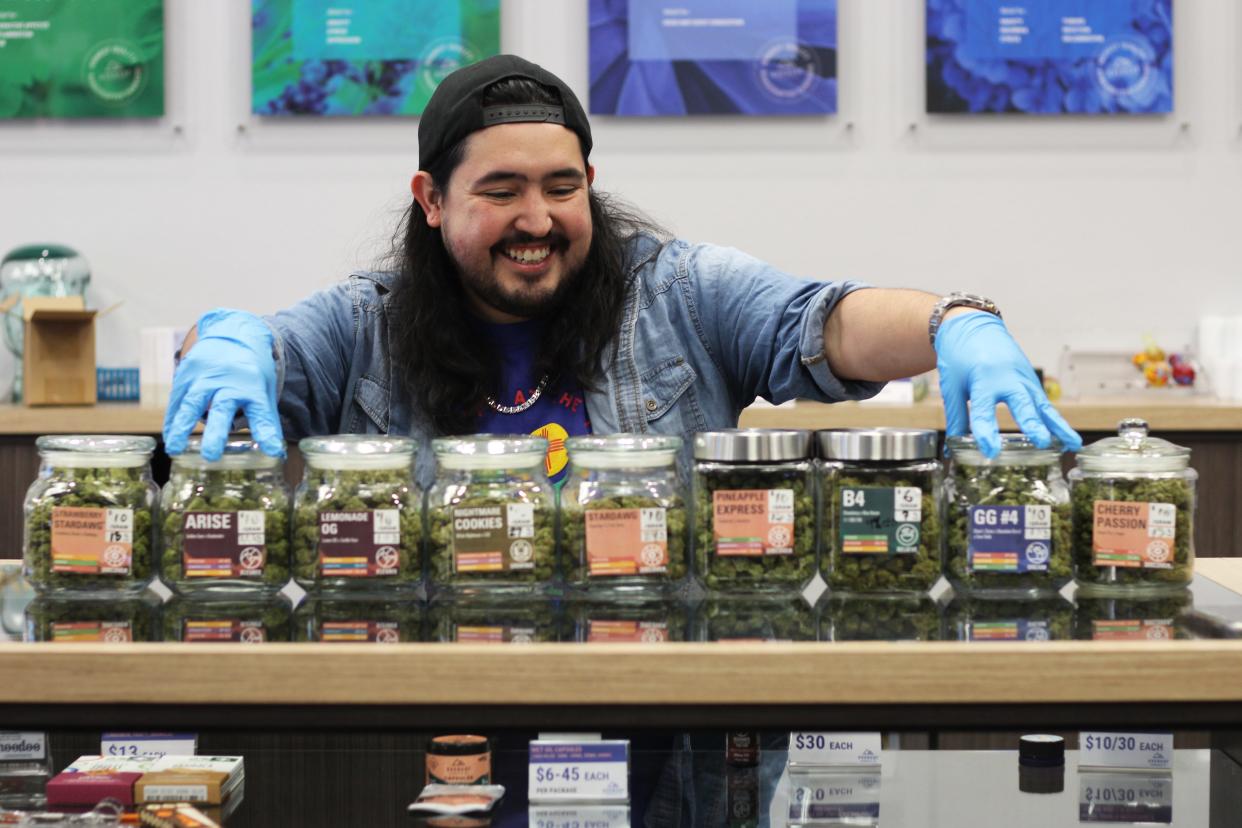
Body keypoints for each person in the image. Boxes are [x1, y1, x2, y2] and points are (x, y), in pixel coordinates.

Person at [163, 55, 1080, 484]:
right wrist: (226, 339)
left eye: (563, 187)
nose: (538, 220)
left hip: (672, 752)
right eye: (502, 191)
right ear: (432, 200)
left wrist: (955, 320)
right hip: (445, 739)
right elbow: (265, 350)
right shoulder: (367, 323)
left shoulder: (675, 293)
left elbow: (825, 321)